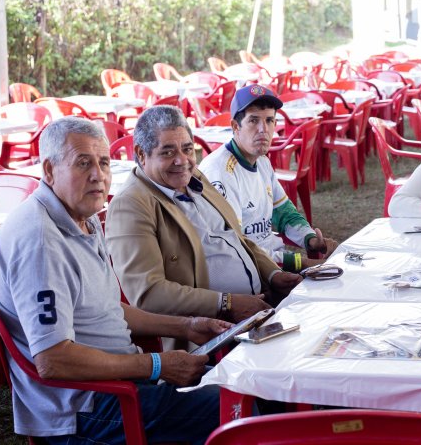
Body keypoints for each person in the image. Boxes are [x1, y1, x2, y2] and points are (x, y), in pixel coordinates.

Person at [0, 117, 228, 443]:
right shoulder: (41, 241)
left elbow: (108, 307)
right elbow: (53, 361)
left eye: (103, 163)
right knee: (235, 408)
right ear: (49, 170)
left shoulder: (80, 214)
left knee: (243, 383)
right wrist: (156, 365)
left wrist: (186, 326)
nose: (98, 175)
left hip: (125, 382)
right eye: (83, 163)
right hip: (86, 407)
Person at [105, 105, 302, 349]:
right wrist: (227, 303)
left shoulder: (194, 178)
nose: (182, 160)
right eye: (167, 152)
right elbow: (148, 294)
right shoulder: (131, 205)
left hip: (258, 306)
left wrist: (273, 274)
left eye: (187, 149)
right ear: (141, 154)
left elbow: (237, 238)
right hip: (211, 336)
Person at [199, 85, 338, 273]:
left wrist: (310, 238)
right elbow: (235, 246)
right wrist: (300, 263)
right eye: (253, 121)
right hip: (245, 271)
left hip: (271, 263)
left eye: (270, 120)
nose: (263, 130)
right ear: (235, 127)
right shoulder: (220, 172)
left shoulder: (262, 162)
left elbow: (284, 212)